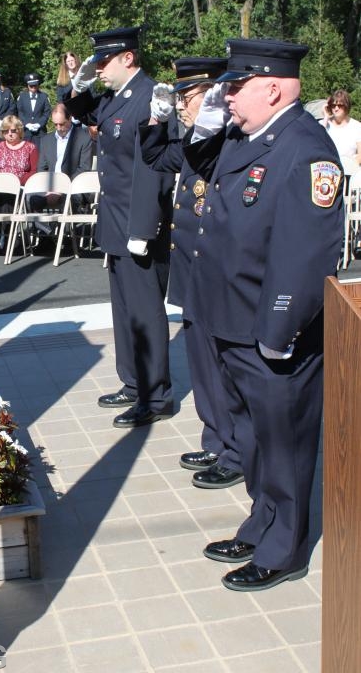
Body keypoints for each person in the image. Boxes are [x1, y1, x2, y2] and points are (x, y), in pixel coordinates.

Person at [164, 38, 343, 591]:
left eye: (236, 87)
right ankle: (260, 521)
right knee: (257, 439)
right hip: (230, 321)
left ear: (272, 87)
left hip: (271, 331)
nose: (226, 97)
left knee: (284, 444)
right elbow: (196, 165)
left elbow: (306, 253)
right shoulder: (248, 136)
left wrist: (278, 330)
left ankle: (283, 548)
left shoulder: (306, 149)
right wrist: (208, 121)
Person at [142, 57, 245, 490]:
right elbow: (153, 156)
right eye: (181, 99)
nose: (182, 106)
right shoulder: (196, 140)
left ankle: (234, 450)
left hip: (214, 272)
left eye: (188, 97)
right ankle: (214, 436)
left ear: (213, 97)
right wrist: (155, 117)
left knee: (223, 367)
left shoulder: (225, 142)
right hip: (189, 269)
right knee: (201, 364)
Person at [65, 26, 175, 428]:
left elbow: (157, 169)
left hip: (139, 223)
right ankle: (134, 383)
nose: (99, 69)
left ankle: (156, 393)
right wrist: (75, 88)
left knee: (145, 312)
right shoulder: (116, 98)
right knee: (125, 311)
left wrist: (144, 227)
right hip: (115, 220)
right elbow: (85, 112)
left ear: (128, 57)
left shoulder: (152, 98)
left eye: (104, 62)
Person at [29, 103, 94, 240]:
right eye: (55, 124)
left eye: (62, 124)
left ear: (70, 118)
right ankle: (49, 233)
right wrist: (48, 190)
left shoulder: (83, 138)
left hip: (73, 188)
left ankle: (63, 239)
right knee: (29, 200)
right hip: (49, 188)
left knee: (67, 201)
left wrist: (60, 189)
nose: (58, 128)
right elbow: (42, 169)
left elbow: (83, 169)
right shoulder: (46, 140)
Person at [0, 115, 38, 255]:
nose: (10, 134)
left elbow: (34, 171)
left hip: (18, 187)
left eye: (13, 130)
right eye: (6, 131)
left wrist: (17, 180)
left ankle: (8, 240)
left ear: (19, 130)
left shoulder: (30, 147)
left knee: (8, 201)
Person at [321, 89, 361, 172]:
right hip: (326, 172)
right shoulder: (323, 124)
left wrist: (350, 168)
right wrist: (326, 117)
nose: (336, 108)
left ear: (346, 106)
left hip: (349, 172)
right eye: (333, 105)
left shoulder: (357, 126)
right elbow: (315, 142)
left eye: (340, 105)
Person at [16, 73, 52, 143]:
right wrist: (26, 124)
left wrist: (39, 124)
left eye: (35, 85)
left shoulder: (44, 97)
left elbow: (47, 112)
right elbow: (19, 112)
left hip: (40, 132)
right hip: (25, 132)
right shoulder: (22, 97)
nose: (33, 87)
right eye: (31, 86)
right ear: (27, 85)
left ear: (38, 85)